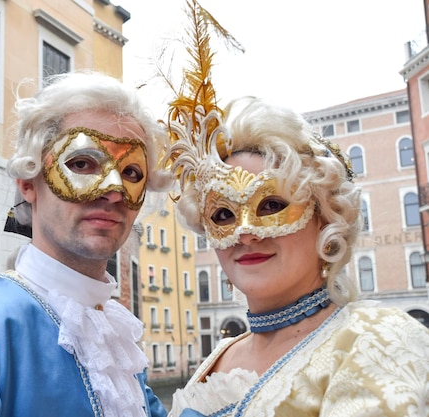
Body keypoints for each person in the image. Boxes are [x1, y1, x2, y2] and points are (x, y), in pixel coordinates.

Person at [0, 71, 173, 417]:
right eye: (82, 163)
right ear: (28, 183)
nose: (114, 190)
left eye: (131, 173)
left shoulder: (117, 340)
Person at [164, 94, 429, 416]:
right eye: (223, 215)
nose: (245, 233)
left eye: (272, 206)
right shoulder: (222, 353)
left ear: (326, 218)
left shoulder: (377, 338)